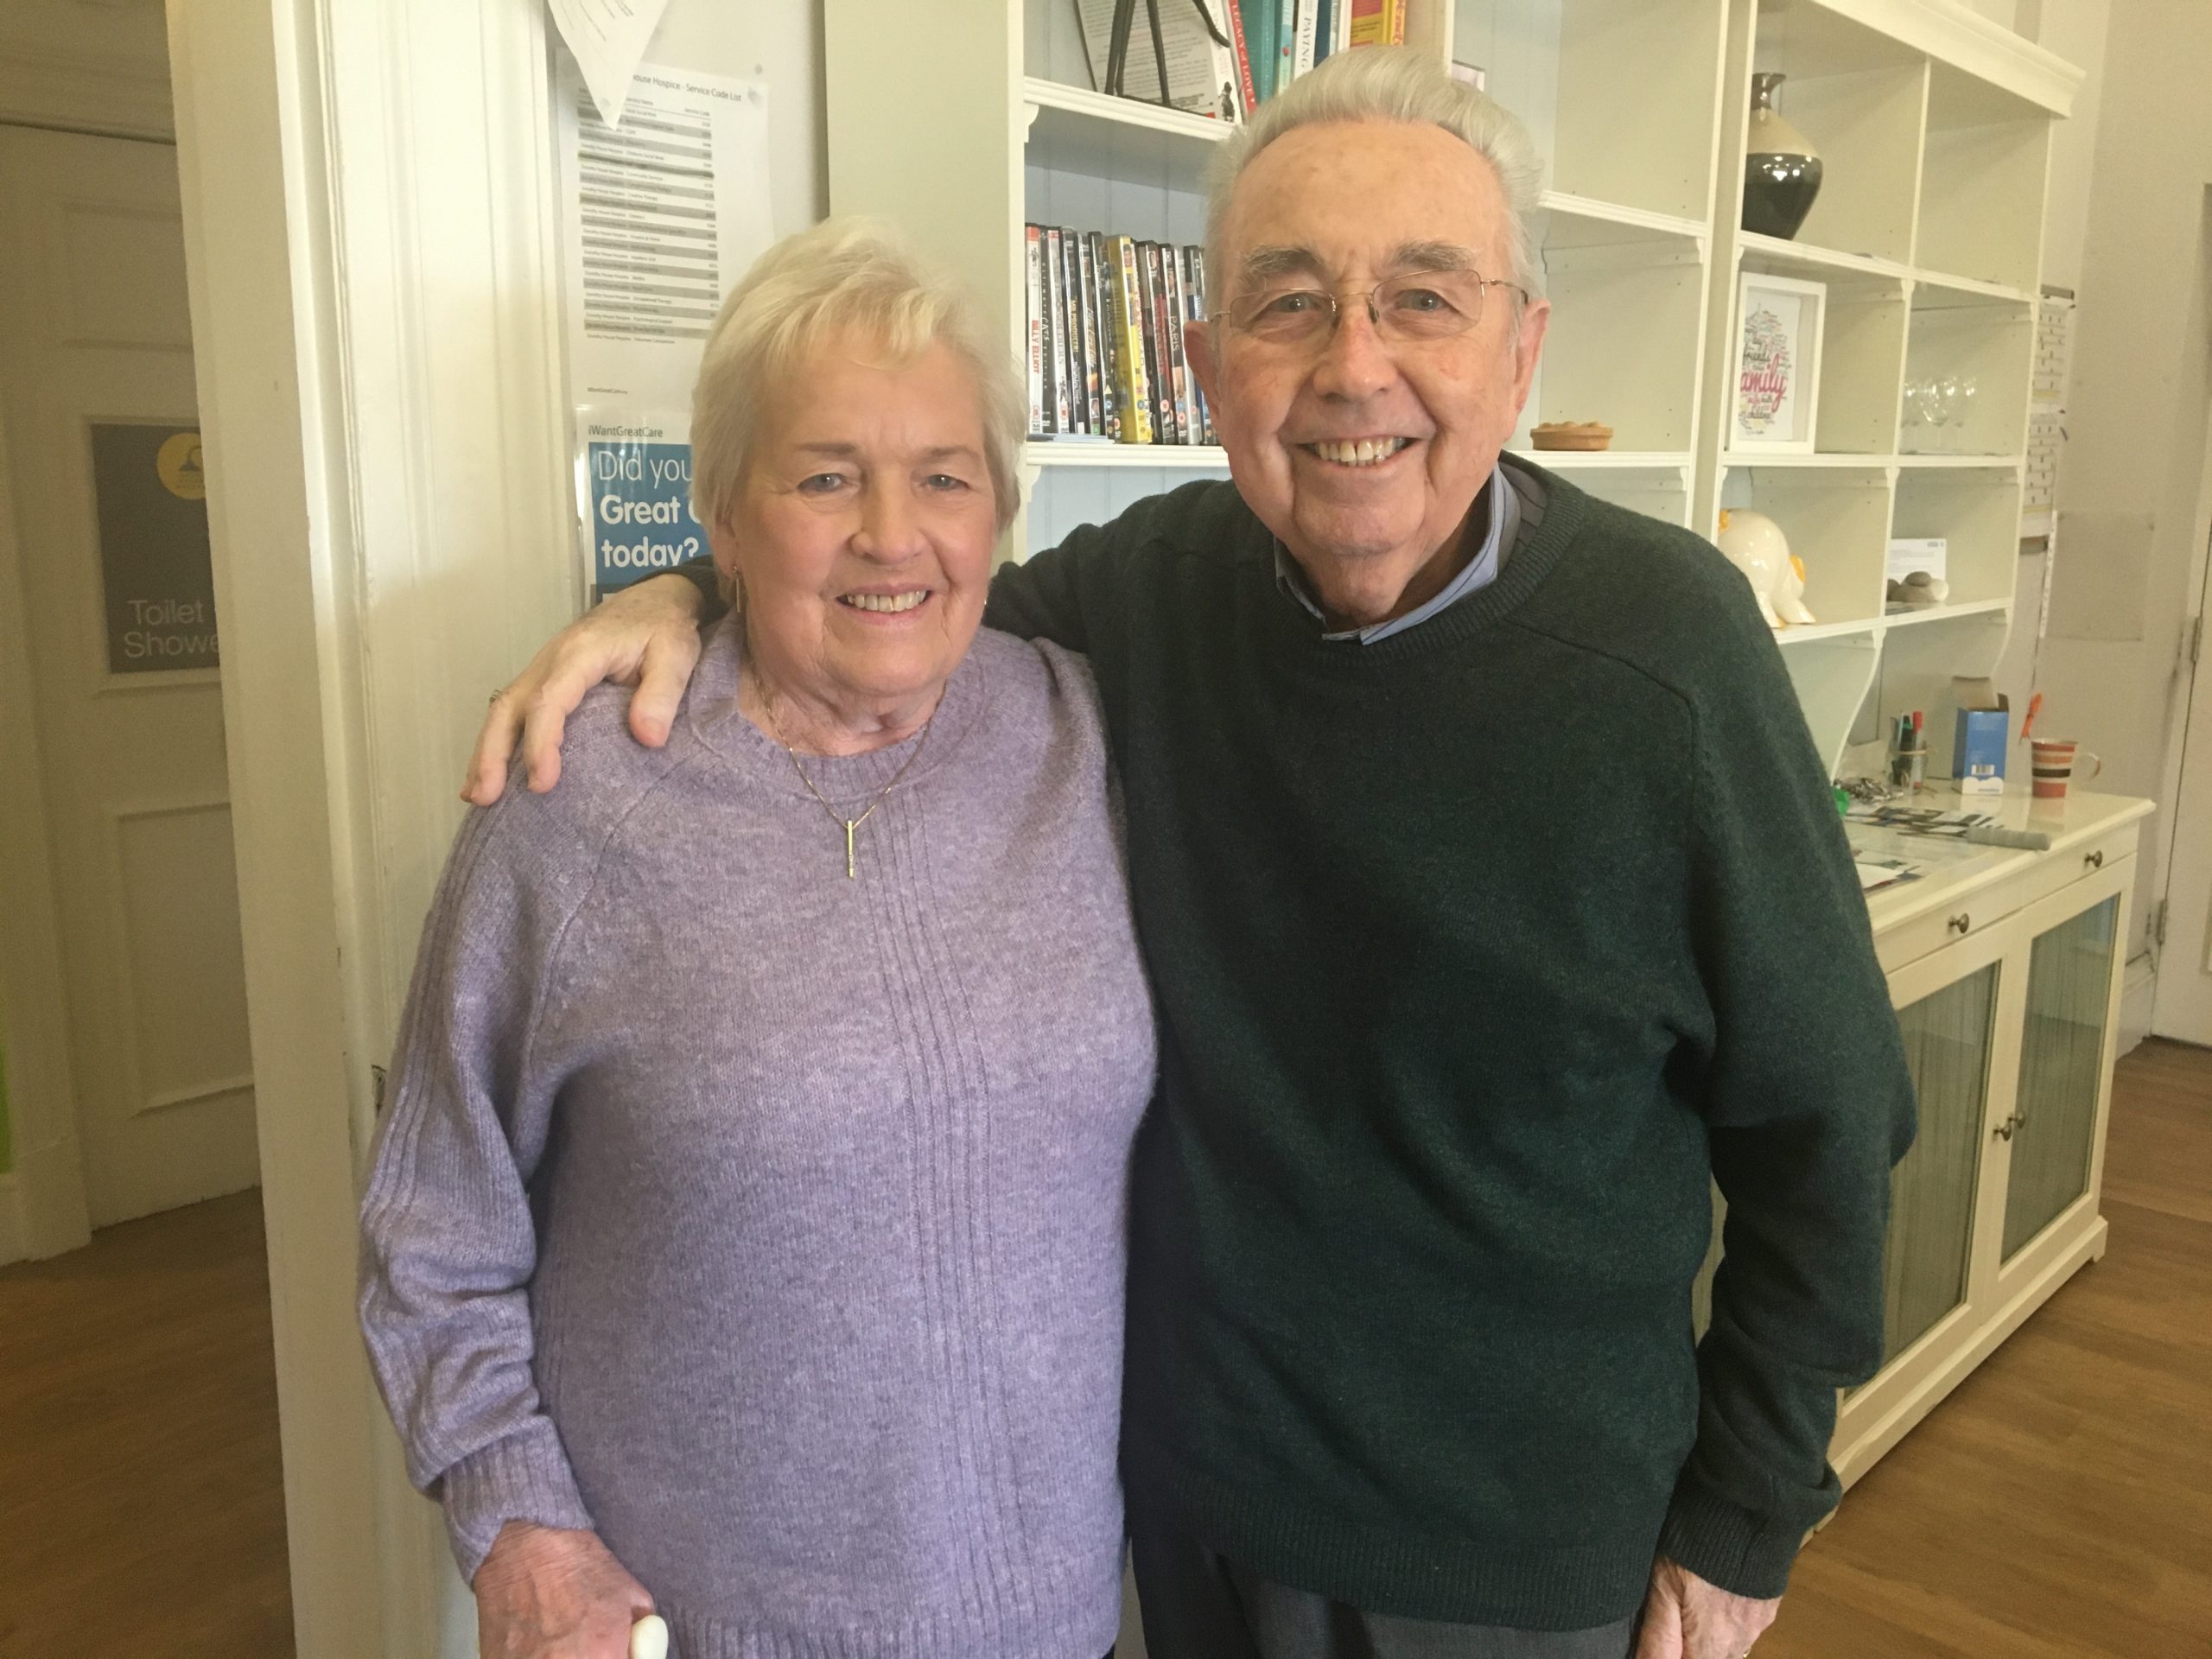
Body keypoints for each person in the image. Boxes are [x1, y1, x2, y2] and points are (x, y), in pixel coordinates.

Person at [466, 49, 1916, 1659]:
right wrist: (673, 594)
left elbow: (1832, 1123)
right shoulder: (1145, 602)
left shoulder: (1673, 654)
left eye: (1425, 299)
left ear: (1523, 353)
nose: (1355, 366)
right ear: (1214, 361)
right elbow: (883, 585)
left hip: (1519, 1564)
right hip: (1179, 1530)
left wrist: (1745, 1520)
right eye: (1290, 304)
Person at [359, 220, 1158, 1659]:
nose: (891, 533)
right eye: (825, 476)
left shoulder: (1082, 737)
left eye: (943, 477)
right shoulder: (584, 796)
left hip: (1054, 1620)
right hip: (709, 1629)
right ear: (722, 515)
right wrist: (517, 1525)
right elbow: (432, 1221)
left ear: (1001, 514)